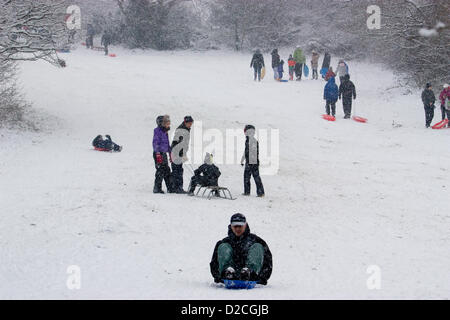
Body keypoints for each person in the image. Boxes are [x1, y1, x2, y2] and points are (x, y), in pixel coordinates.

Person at [210, 213, 272, 285]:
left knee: (257, 247)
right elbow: (214, 264)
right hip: (228, 277)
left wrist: (262, 278)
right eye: (235, 226)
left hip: (252, 277)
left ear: (245, 225)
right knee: (223, 247)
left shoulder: (256, 241)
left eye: (240, 226)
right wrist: (219, 277)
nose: (237, 229)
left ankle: (249, 272)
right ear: (231, 226)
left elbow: (268, 263)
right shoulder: (225, 242)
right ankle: (228, 272)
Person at [170, 116, 194, 194]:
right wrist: (182, 154)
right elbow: (178, 144)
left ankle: (175, 187)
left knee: (178, 170)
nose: (190, 125)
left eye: (191, 123)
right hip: (176, 153)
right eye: (189, 123)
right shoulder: (181, 130)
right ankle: (177, 188)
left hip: (178, 153)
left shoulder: (186, 129)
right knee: (177, 171)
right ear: (185, 122)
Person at [240, 125, 265, 197]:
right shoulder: (248, 140)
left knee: (254, 177)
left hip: (253, 162)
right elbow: (246, 151)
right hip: (250, 162)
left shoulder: (253, 141)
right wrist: (243, 159)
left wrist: (252, 162)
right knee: (248, 177)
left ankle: (260, 193)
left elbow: (253, 152)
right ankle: (249, 192)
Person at [153, 115, 172, 193]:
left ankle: (170, 187)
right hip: (158, 153)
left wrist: (170, 153)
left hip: (163, 154)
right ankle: (157, 188)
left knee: (167, 170)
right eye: (166, 123)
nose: (168, 124)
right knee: (160, 171)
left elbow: (167, 144)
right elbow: (155, 143)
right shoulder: (158, 131)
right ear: (161, 123)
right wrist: (157, 153)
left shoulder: (165, 131)